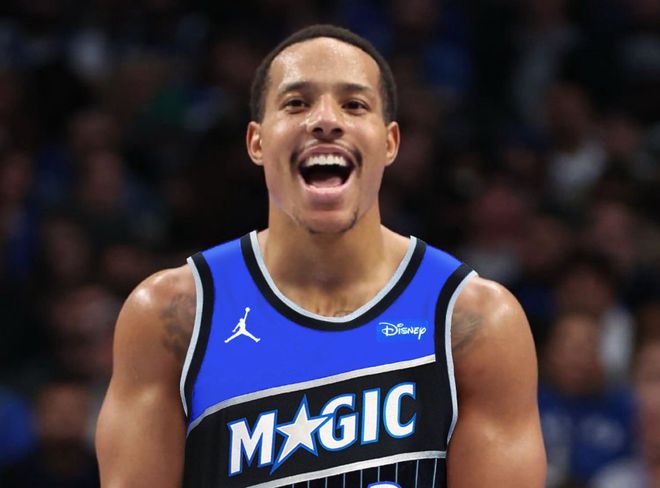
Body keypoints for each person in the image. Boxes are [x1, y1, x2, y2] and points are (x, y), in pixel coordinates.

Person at [96, 24, 546, 487]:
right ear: (257, 142)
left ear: (389, 142)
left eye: (354, 105)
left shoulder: (473, 321)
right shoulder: (173, 315)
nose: (326, 120)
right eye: (296, 103)